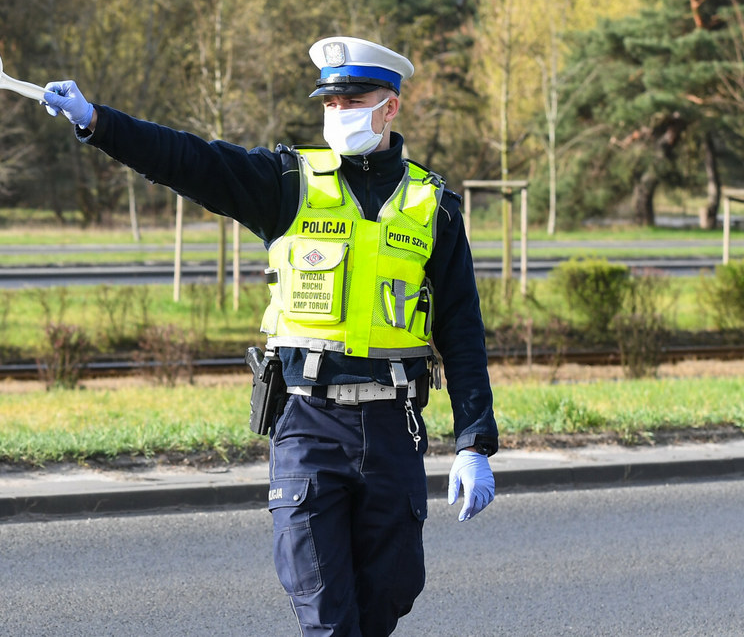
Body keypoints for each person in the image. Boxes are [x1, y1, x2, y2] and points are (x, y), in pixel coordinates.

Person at [42, 36, 498, 636]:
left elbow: (461, 326)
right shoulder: (287, 182)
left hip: (394, 427)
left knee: (386, 599)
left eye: (353, 100)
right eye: (330, 103)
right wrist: (97, 123)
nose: (338, 113)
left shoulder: (432, 205)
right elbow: (190, 160)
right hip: (308, 423)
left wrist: (473, 442)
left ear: (391, 108)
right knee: (326, 618)